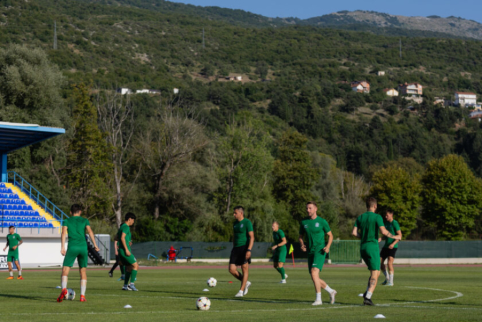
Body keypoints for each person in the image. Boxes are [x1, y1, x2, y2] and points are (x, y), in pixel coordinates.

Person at [352, 197, 402, 306]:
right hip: (372, 247)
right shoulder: (377, 217)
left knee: (376, 272)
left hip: (363, 248)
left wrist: (363, 236)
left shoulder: (360, 217)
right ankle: (368, 297)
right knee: (375, 273)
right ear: (375, 206)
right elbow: (383, 231)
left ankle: (366, 292)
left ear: (367, 206)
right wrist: (394, 236)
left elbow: (354, 233)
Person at [58, 204, 100, 302]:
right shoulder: (85, 220)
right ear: (80, 212)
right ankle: (82, 296)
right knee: (83, 271)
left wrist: (62, 247)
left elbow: (63, 233)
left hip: (72, 247)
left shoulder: (67, 221)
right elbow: (90, 231)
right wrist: (95, 245)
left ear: (70, 212)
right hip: (83, 247)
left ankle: (64, 290)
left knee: (65, 270)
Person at [299, 201, 337, 306]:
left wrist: (328, 247)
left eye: (310, 208)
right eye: (307, 208)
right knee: (314, 276)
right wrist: (302, 244)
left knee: (314, 273)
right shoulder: (304, 222)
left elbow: (330, 235)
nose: (308, 210)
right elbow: (300, 236)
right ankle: (331, 291)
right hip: (310, 251)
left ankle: (318, 299)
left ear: (316, 209)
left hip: (320, 250)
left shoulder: (322, 221)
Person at [228, 206, 254, 297]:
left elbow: (252, 237)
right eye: (234, 213)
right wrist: (234, 247)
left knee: (244, 269)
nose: (234, 215)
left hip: (244, 248)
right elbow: (234, 237)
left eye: (235, 213)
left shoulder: (247, 222)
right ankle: (245, 282)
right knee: (231, 269)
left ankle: (241, 291)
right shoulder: (235, 224)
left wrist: (249, 250)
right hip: (236, 248)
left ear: (241, 213)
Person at [379, 209, 402, 286]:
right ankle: (387, 278)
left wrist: (393, 244)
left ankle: (391, 282)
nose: (386, 217)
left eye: (387, 215)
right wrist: (381, 238)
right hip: (386, 246)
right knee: (379, 262)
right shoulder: (385, 223)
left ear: (391, 214)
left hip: (393, 246)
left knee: (389, 263)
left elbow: (400, 236)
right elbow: (386, 234)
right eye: (385, 215)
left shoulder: (395, 223)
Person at [117, 212, 138, 291]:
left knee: (129, 268)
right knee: (135, 266)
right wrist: (126, 249)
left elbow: (116, 237)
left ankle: (125, 286)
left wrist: (127, 241)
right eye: (133, 220)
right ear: (129, 219)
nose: (133, 222)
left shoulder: (122, 226)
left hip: (121, 251)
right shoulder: (126, 227)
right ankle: (131, 284)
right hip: (125, 251)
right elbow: (122, 238)